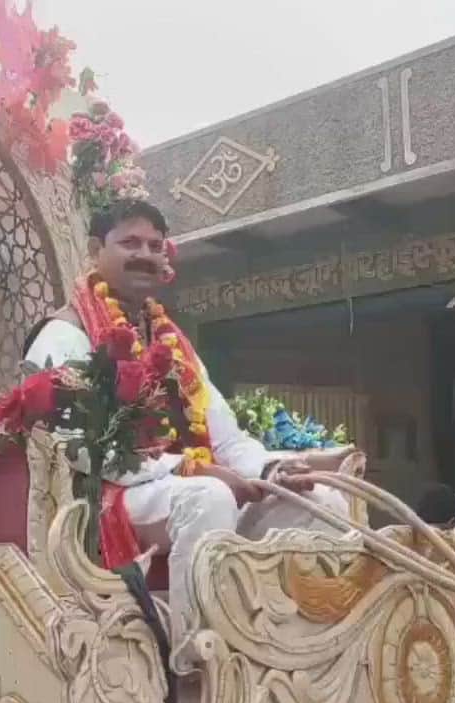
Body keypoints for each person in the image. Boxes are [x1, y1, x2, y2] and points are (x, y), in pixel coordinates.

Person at [23, 199, 350, 661]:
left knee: (321, 502)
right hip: (103, 496)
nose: (146, 254)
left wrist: (275, 469)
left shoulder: (169, 338)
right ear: (95, 250)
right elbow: (82, 451)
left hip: (179, 488)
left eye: (156, 245)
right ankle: (197, 664)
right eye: (130, 242)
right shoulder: (64, 334)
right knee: (208, 498)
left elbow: (227, 438)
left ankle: (304, 652)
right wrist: (193, 471)